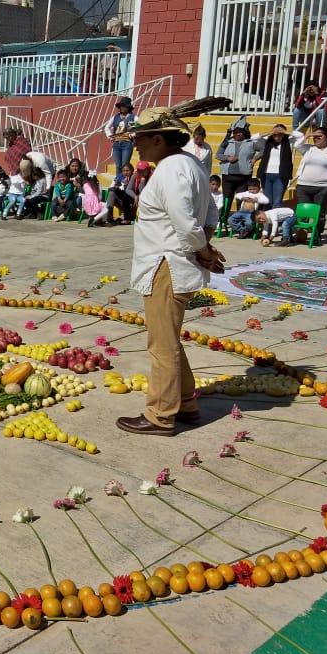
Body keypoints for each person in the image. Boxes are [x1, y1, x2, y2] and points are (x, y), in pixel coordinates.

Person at [114, 108, 224, 437]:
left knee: (161, 345)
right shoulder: (190, 164)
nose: (136, 146)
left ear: (159, 139)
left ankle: (161, 415)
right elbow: (211, 211)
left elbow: (185, 221)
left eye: (140, 139)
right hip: (173, 262)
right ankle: (186, 404)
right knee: (169, 340)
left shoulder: (173, 168)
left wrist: (203, 250)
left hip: (167, 265)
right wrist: (204, 243)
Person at [253, 124, 301, 209]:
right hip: (266, 174)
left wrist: (285, 132)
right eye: (275, 133)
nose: (277, 135)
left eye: (280, 133)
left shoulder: (289, 141)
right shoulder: (268, 140)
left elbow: (300, 136)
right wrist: (270, 132)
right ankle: (267, 220)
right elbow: (253, 138)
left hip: (281, 175)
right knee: (267, 201)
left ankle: (276, 220)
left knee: (277, 201)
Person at [216, 120, 258, 209]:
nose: (238, 134)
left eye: (240, 132)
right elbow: (218, 155)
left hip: (243, 177)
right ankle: (223, 219)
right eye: (236, 132)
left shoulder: (251, 143)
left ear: (245, 132)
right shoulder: (227, 142)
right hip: (228, 176)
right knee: (227, 199)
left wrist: (255, 158)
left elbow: (264, 149)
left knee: (241, 200)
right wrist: (228, 158)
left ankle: (239, 220)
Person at [104, 98, 136, 180]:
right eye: (121, 106)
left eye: (124, 106)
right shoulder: (115, 117)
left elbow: (139, 127)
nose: (122, 108)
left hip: (127, 143)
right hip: (116, 144)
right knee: (118, 165)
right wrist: (110, 136)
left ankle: (126, 182)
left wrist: (132, 135)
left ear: (128, 107)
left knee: (125, 164)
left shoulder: (133, 117)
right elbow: (107, 127)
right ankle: (118, 183)